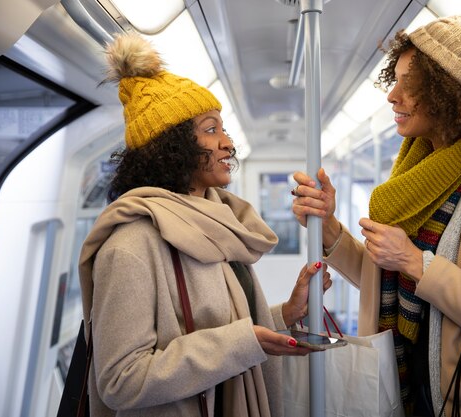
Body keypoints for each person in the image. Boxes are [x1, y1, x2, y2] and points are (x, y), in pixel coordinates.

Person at [291, 1, 461, 416]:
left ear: (449, 92)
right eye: (394, 79)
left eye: (409, 84)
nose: (392, 95)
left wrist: (417, 262)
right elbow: (382, 275)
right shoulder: (416, 172)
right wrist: (328, 226)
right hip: (413, 392)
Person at [78, 33, 331, 417]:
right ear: (172, 146)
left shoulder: (214, 225)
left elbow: (223, 326)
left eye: (224, 129)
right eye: (211, 129)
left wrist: (285, 315)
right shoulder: (130, 246)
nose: (228, 143)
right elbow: (120, 381)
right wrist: (243, 343)